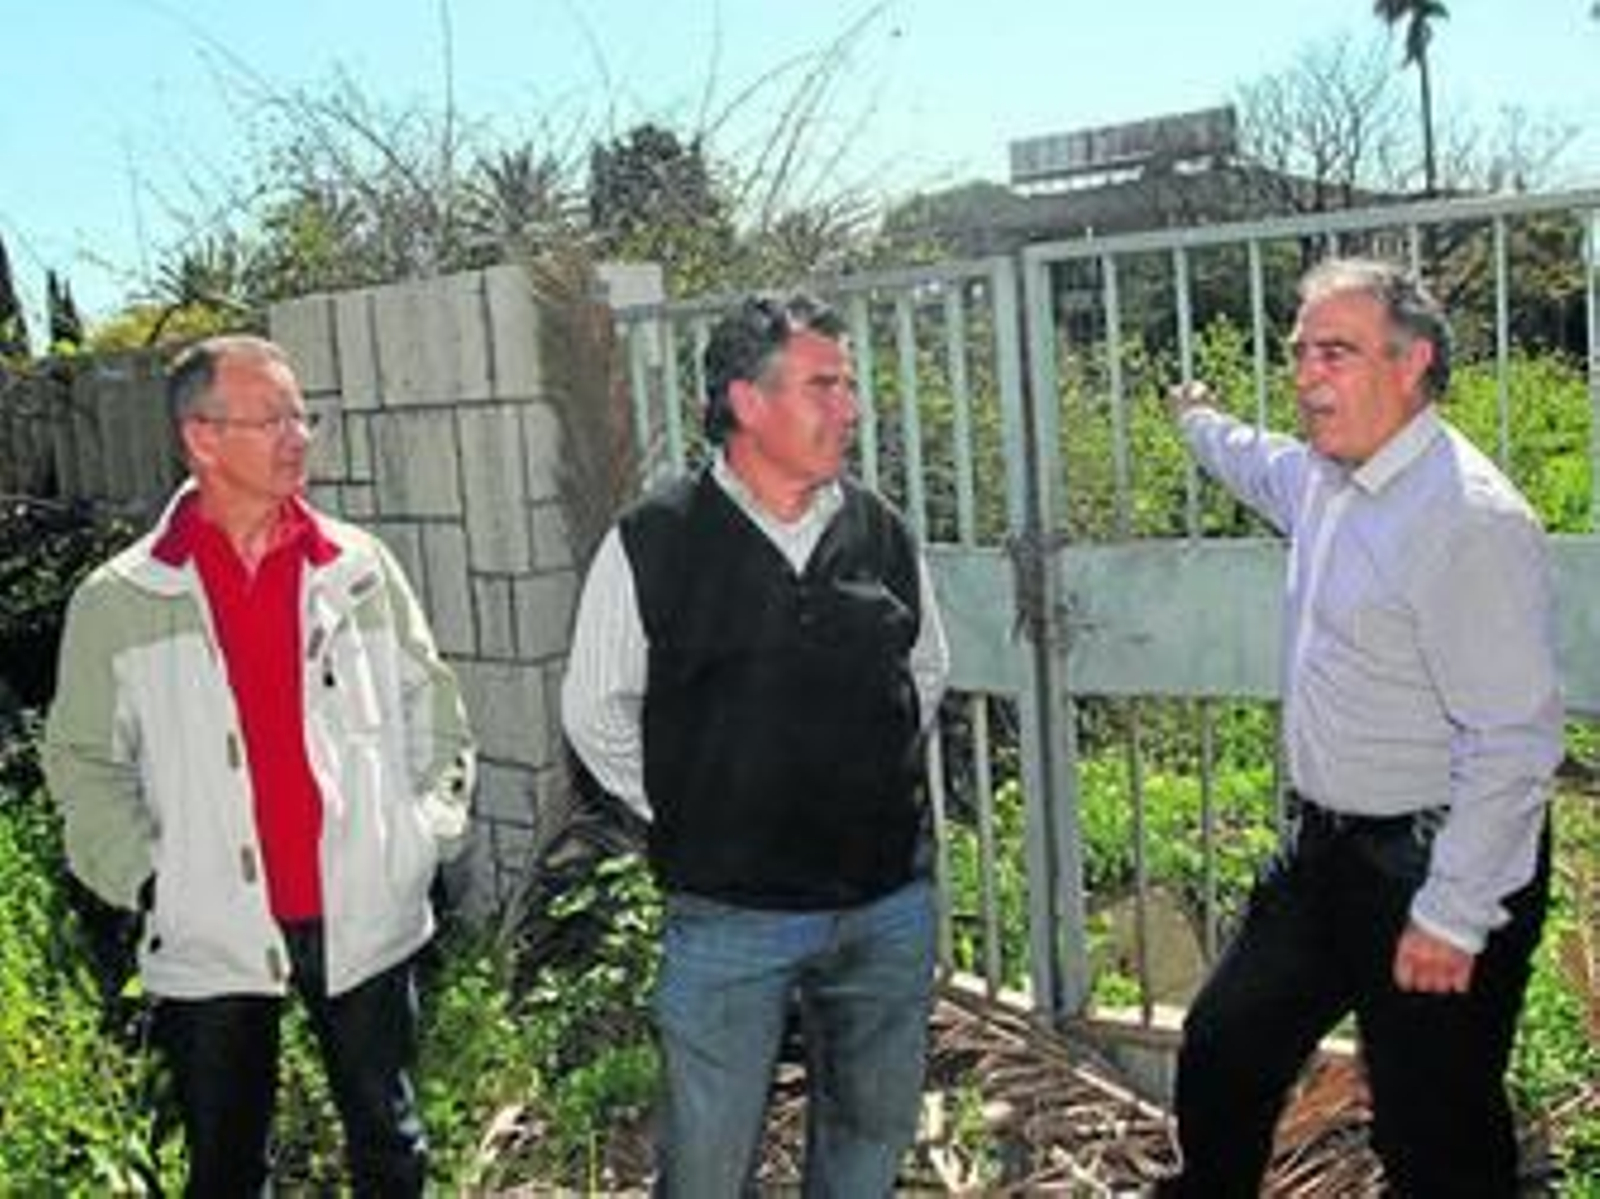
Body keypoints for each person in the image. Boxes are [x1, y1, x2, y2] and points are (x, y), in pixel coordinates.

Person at [1158, 258, 1563, 1197]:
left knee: (1435, 1134)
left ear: (1413, 362)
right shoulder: (1322, 479)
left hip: (1437, 866)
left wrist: (1453, 914)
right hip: (1325, 859)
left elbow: (1514, 738)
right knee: (1223, 1047)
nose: (1305, 375)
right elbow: (1249, 457)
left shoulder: (1468, 519)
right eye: (1301, 353)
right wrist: (1193, 418)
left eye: (1333, 353)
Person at [44, 334, 476, 1196]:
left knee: (392, 1144)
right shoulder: (122, 599)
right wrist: (151, 879)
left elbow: (437, 709)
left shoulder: (356, 567)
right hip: (208, 926)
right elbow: (83, 763)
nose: (298, 435)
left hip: (361, 907)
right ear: (201, 438)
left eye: (301, 415)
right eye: (272, 417)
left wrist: (421, 836)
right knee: (227, 1168)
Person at [562, 293, 951, 1196]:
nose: (850, 408)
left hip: (886, 906)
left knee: (867, 1146)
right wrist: (698, 810)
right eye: (825, 385)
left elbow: (927, 672)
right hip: (730, 919)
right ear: (746, 401)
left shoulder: (880, 531)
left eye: (849, 387)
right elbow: (596, 711)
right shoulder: (654, 541)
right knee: (706, 1165)